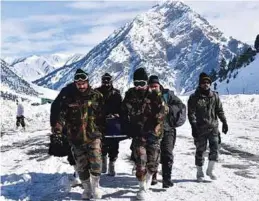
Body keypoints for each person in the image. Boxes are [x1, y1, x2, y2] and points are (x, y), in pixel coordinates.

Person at [51, 68, 104, 199]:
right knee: (81, 165)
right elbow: (61, 116)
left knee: (96, 162)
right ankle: (86, 189)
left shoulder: (97, 96)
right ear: (75, 83)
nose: (81, 86)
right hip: (76, 137)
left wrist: (102, 130)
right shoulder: (68, 99)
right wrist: (58, 128)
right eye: (78, 84)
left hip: (93, 136)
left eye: (83, 83)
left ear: (87, 81)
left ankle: (96, 187)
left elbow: (102, 115)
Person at [121, 68, 167, 200]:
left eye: (142, 83)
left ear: (146, 82)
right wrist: (127, 127)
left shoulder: (155, 94)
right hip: (138, 134)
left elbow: (164, 111)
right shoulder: (130, 94)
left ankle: (146, 184)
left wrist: (157, 97)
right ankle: (141, 188)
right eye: (136, 83)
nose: (139, 86)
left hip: (153, 134)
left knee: (153, 165)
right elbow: (123, 111)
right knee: (141, 161)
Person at [187, 72, 228, 182]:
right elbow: (191, 113)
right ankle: (199, 171)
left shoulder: (214, 96)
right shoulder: (194, 97)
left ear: (210, 84)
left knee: (215, 148)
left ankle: (210, 170)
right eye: (203, 82)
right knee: (200, 150)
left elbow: (219, 110)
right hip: (200, 129)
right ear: (200, 84)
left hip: (213, 128)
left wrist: (224, 122)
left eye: (208, 82)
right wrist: (194, 126)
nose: (206, 84)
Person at [148, 75, 186, 188]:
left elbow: (180, 105)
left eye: (155, 86)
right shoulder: (146, 96)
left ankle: (166, 178)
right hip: (151, 130)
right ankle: (153, 175)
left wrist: (168, 108)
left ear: (159, 85)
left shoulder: (167, 94)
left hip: (168, 129)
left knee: (167, 154)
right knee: (153, 155)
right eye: (151, 86)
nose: (153, 88)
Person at [50, 86, 81, 187]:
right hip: (69, 128)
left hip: (85, 128)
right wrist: (56, 125)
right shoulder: (66, 92)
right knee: (72, 151)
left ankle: (85, 173)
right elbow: (56, 109)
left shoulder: (89, 92)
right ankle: (77, 172)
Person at [95, 73, 122, 176]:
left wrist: (117, 114)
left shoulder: (116, 93)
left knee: (114, 145)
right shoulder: (97, 93)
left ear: (111, 81)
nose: (106, 83)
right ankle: (103, 162)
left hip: (114, 123)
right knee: (102, 143)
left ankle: (112, 164)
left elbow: (121, 107)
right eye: (104, 81)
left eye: (108, 80)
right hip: (101, 122)